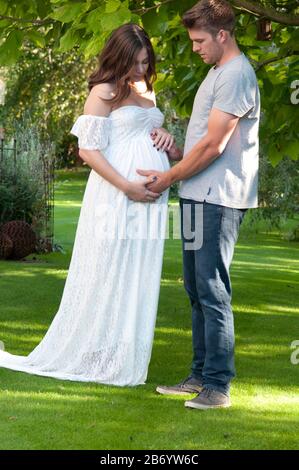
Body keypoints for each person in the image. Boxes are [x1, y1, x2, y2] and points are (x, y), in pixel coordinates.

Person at [0, 23, 179, 386]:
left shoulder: (146, 88)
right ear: (120, 57)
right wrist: (127, 186)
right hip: (115, 194)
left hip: (150, 200)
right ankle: (94, 352)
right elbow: (88, 150)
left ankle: (121, 353)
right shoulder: (104, 91)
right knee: (109, 266)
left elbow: (148, 136)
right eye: (136, 63)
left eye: (146, 62)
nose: (142, 70)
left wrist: (165, 136)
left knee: (138, 270)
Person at [138, 0, 260, 408]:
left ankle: (218, 386)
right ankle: (199, 376)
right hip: (196, 194)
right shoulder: (217, 73)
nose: (195, 48)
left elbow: (214, 144)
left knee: (212, 289)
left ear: (222, 35)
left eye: (199, 40)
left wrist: (169, 177)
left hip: (219, 199)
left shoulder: (237, 74)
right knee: (195, 288)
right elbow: (199, 144)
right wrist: (176, 155)